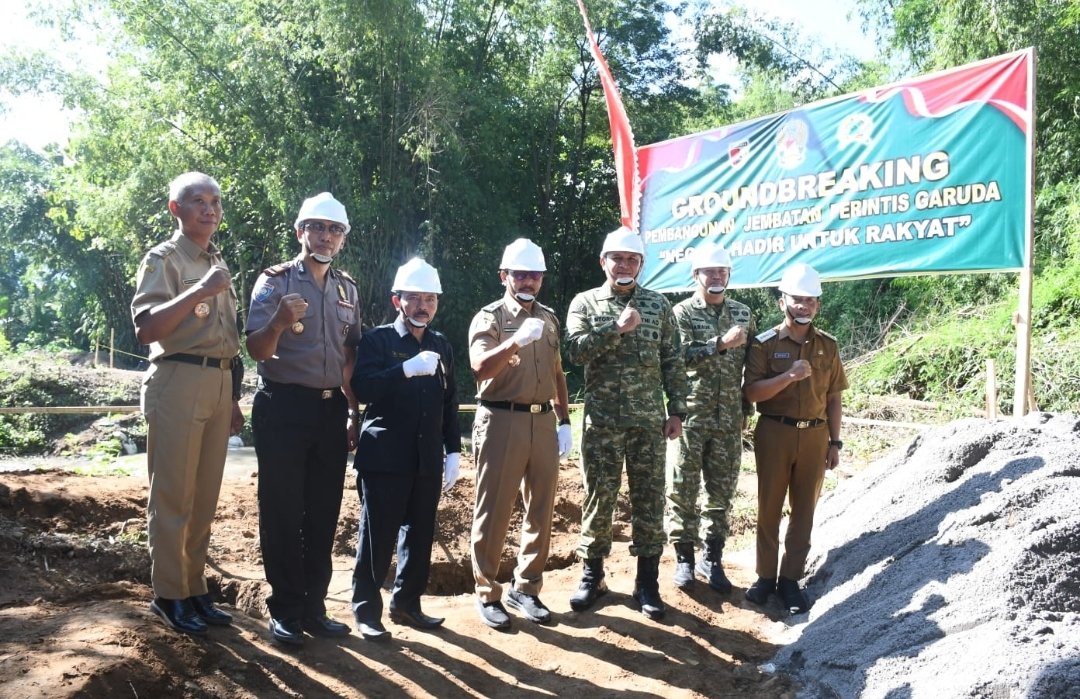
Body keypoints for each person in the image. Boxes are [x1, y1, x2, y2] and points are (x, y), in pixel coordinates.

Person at [245, 192, 362, 646]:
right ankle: (286, 610)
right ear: (300, 232)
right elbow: (257, 350)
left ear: (343, 239)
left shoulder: (347, 288)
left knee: (323, 511)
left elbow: (351, 354)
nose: (326, 236)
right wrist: (276, 321)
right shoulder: (274, 283)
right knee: (282, 509)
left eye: (334, 230)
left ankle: (314, 606)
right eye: (317, 227)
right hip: (284, 406)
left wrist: (352, 411)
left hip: (331, 409)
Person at [131, 171, 244, 636]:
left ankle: (195, 589)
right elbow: (146, 328)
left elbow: (228, 337)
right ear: (175, 209)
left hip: (217, 383)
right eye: (197, 201)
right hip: (177, 379)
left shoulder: (216, 260)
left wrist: (233, 397)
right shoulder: (165, 259)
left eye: (215, 201)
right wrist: (199, 291)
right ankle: (169, 594)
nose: (209, 209)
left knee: (203, 498)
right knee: (173, 495)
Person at [564, 226, 688, 620]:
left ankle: (646, 582)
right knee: (599, 498)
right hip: (602, 422)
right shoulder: (585, 303)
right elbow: (574, 352)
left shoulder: (658, 305)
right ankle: (593, 576)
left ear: (640, 265)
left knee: (649, 500)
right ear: (604, 262)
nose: (624, 265)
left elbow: (673, 358)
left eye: (632, 259)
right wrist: (614, 329)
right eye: (617, 258)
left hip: (649, 424)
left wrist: (677, 410)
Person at [350, 258, 461, 641]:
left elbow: (449, 402)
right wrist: (404, 370)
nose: (422, 306)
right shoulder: (377, 340)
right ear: (397, 300)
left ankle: (407, 604)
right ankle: (366, 611)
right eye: (414, 298)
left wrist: (454, 451)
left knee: (419, 534)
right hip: (385, 459)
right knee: (376, 536)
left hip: (426, 458)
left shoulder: (441, 344)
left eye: (430, 299)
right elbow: (362, 389)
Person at [467, 238, 572, 629]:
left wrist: (563, 421)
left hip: (542, 420)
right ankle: (487, 591)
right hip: (501, 419)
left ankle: (526, 587)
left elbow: (559, 374)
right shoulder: (490, 318)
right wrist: (514, 340)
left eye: (535, 274)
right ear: (504, 276)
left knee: (541, 507)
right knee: (494, 509)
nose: (528, 280)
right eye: (520, 273)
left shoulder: (548, 318)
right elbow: (479, 368)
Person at [743, 262, 847, 614]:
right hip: (775, 431)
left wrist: (835, 442)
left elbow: (834, 398)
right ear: (781, 301)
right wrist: (788, 376)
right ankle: (764, 578)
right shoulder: (765, 344)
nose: (804, 306)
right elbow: (753, 392)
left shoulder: (828, 346)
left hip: (816, 436)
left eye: (811, 300)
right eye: (797, 299)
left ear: (818, 304)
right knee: (769, 507)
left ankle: (790, 580)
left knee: (804, 511)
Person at [666, 242, 755, 593]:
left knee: (721, 491)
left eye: (722, 271)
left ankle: (712, 557)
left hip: (729, 418)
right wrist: (720, 343)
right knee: (683, 489)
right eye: (709, 271)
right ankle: (685, 559)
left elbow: (750, 367)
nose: (716, 277)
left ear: (729, 274)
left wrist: (746, 409)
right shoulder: (682, 312)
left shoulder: (744, 313)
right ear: (696, 275)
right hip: (691, 415)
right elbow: (678, 358)